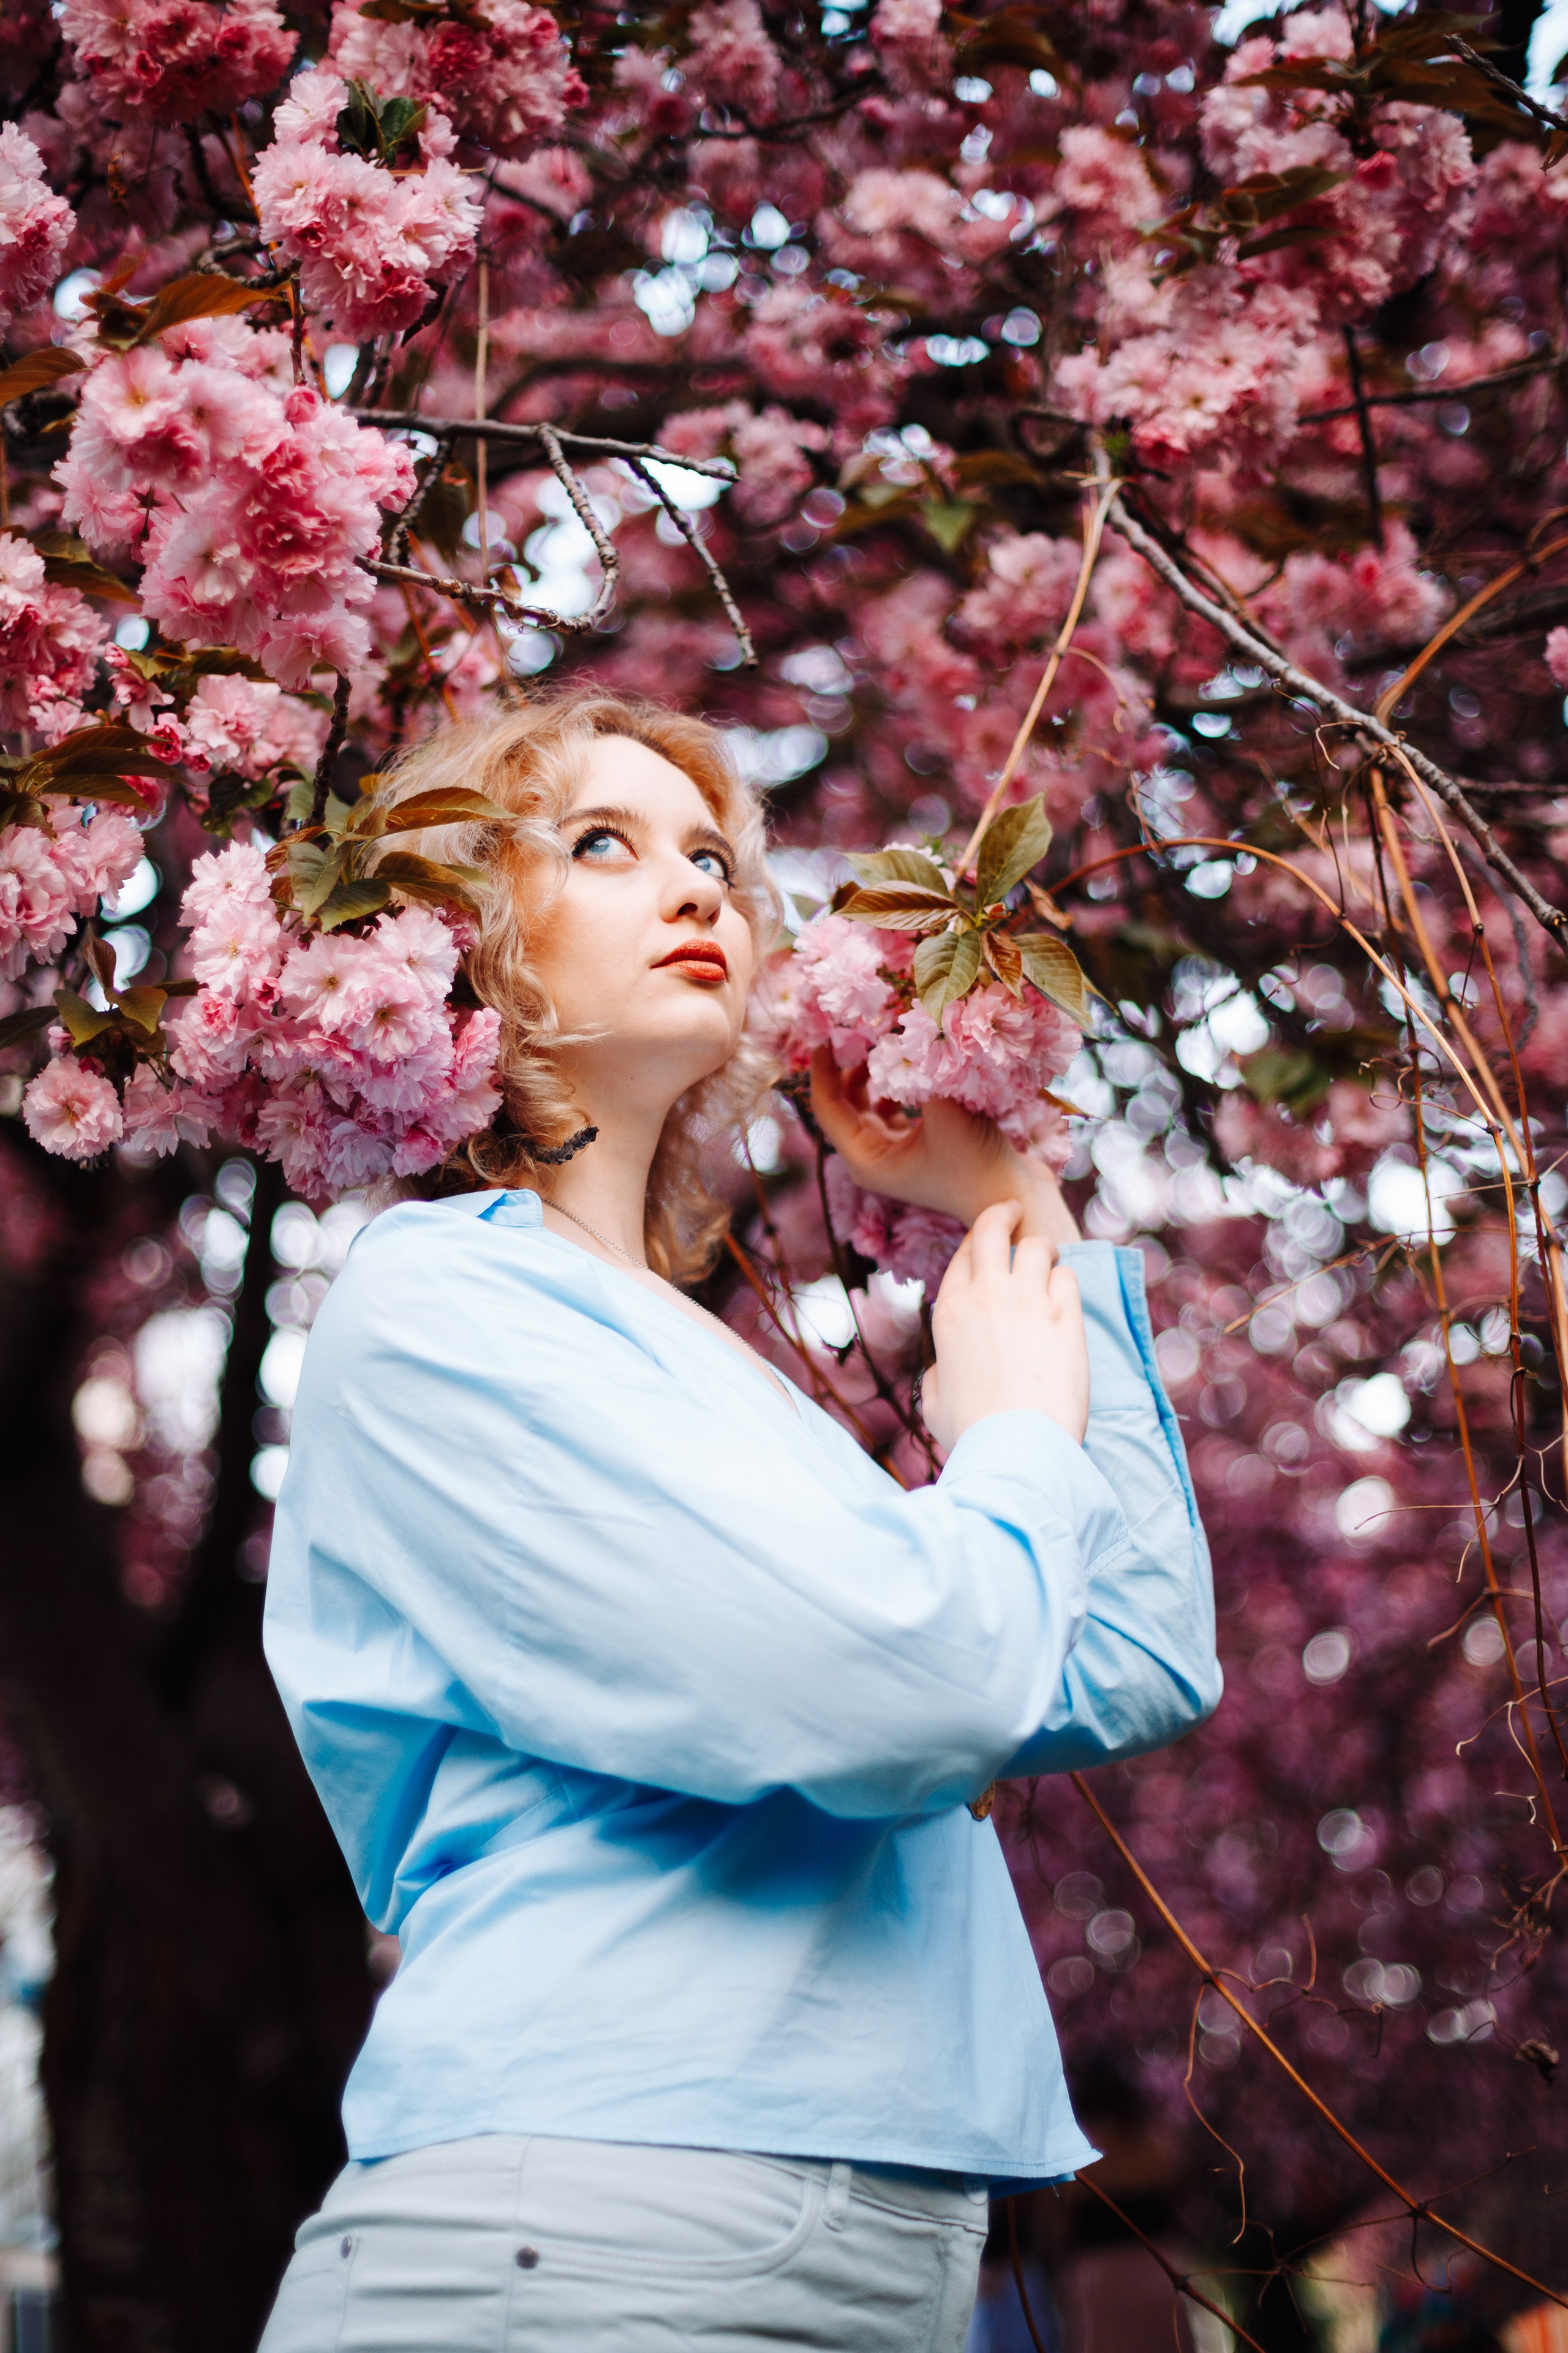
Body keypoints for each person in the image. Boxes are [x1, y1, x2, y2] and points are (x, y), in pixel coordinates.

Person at [257, 690, 1221, 2353]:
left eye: (711, 853)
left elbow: (1127, 1654)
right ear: (464, 942)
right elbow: (924, 1685)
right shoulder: (443, 1302)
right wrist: (996, 1444)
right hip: (593, 2226)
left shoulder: (709, 1367)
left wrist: (1018, 1208)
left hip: (820, 2245)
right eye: (604, 845)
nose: (698, 889)